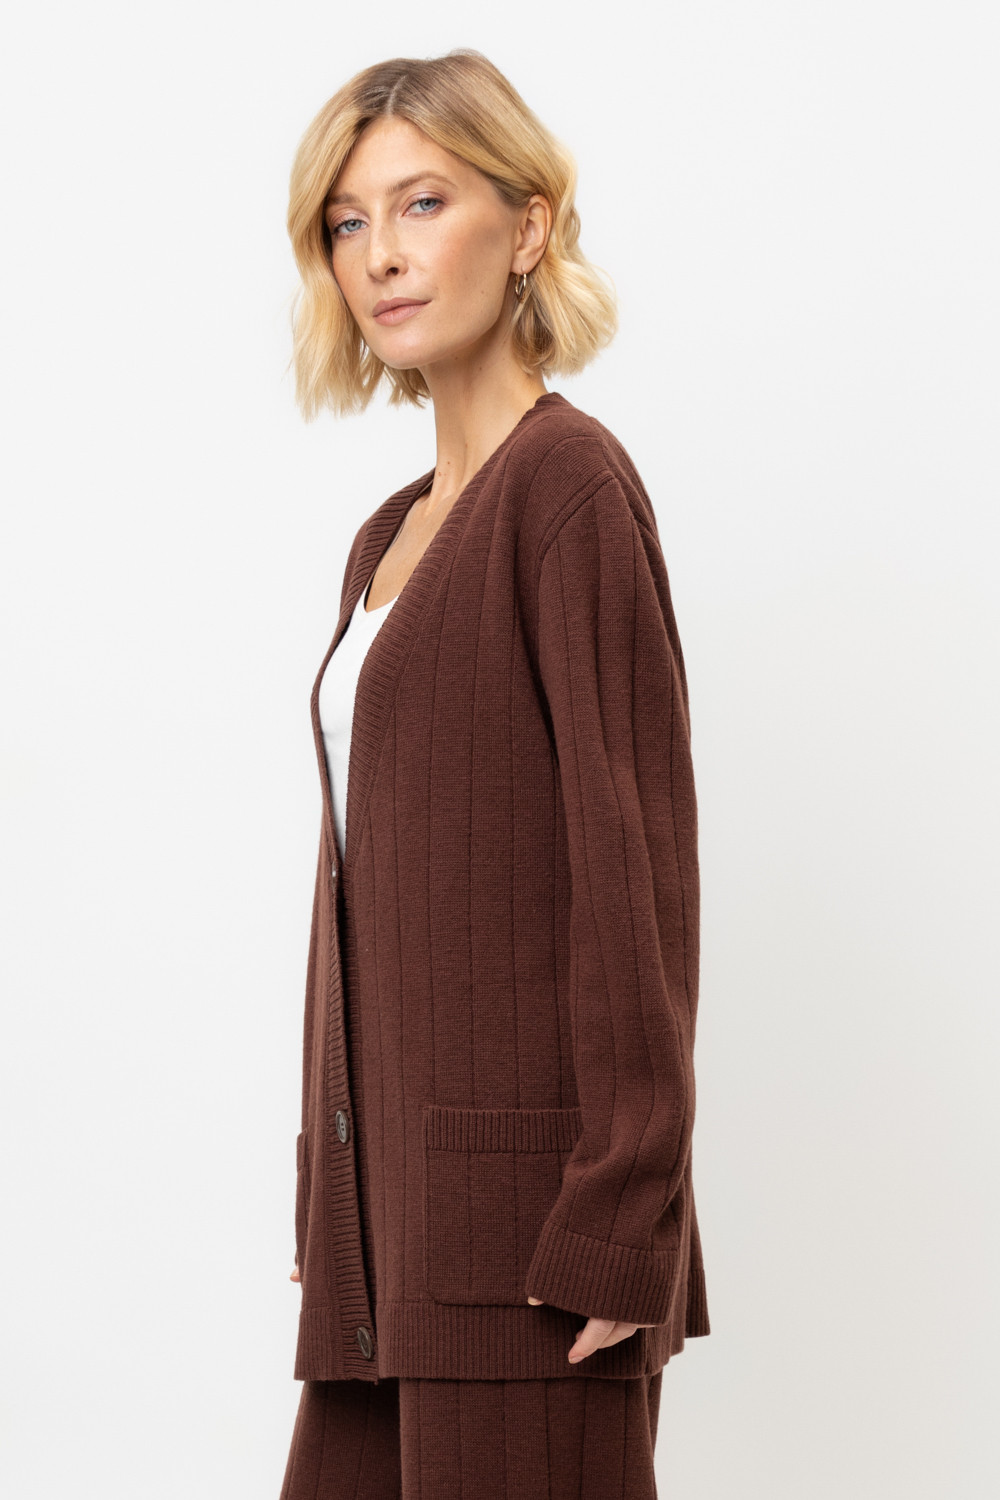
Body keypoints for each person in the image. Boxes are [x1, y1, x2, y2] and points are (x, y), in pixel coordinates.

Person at [279, 48, 710, 1500]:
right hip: (386, 1236)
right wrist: (328, 1185)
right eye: (348, 221)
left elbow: (636, 876)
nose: (382, 255)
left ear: (527, 227)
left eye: (423, 203)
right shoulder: (389, 535)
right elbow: (366, 891)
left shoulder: (566, 489)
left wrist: (624, 1215)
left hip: (533, 1247)